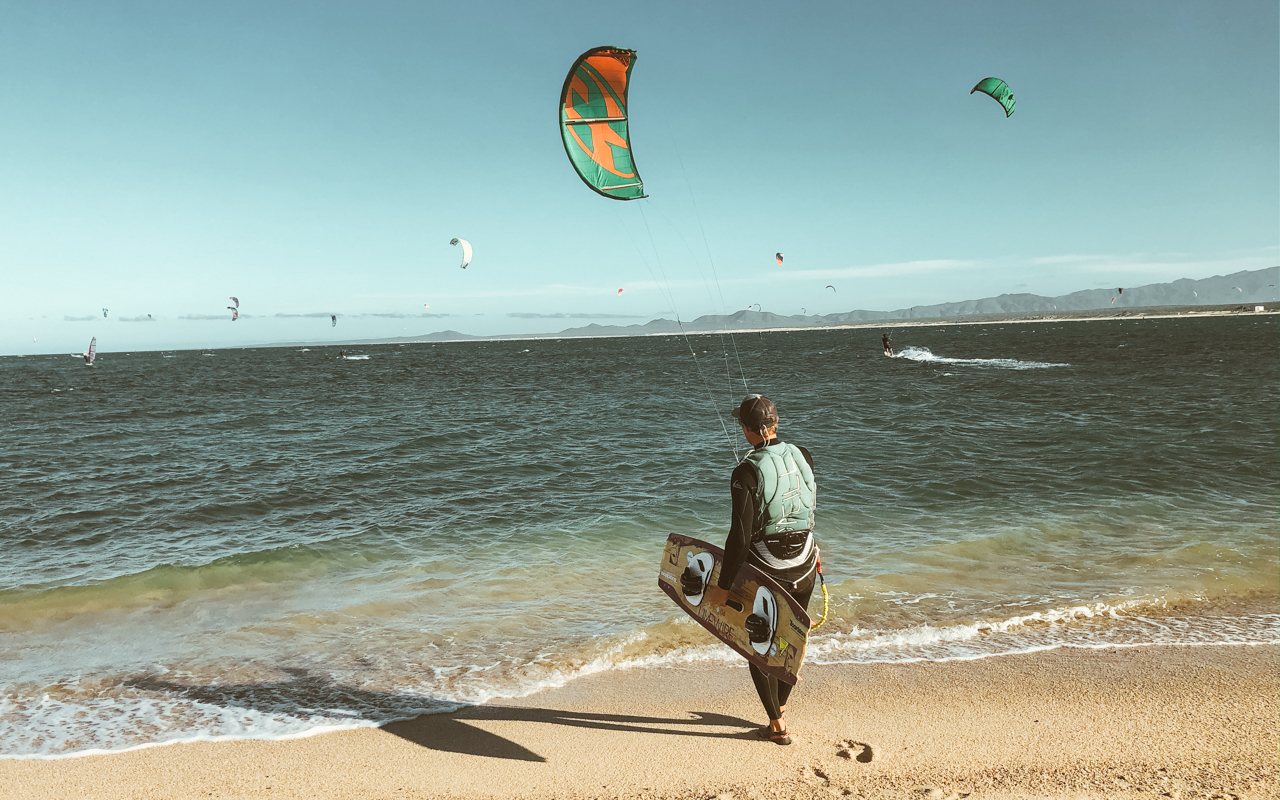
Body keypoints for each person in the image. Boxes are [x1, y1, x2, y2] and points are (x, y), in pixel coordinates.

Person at [703, 394, 818, 746]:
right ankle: (780, 705)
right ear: (776, 422)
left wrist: (723, 585)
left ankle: (776, 724)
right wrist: (816, 551)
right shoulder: (802, 454)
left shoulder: (746, 471)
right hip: (806, 562)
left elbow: (739, 535)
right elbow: (805, 505)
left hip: (771, 568)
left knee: (757, 642)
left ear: (745, 430)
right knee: (791, 637)